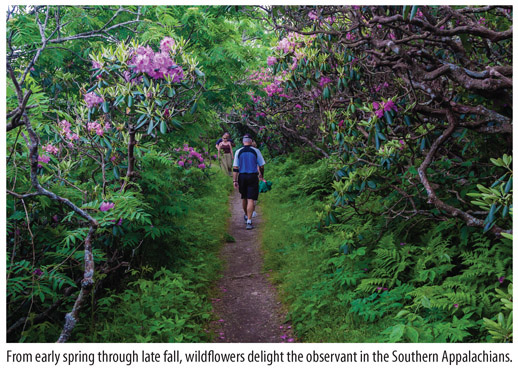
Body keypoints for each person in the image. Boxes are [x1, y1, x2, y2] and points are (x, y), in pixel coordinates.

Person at [233, 135, 265, 230]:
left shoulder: (238, 151)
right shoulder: (256, 151)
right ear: (251, 141)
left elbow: (235, 168)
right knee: (251, 199)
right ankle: (249, 221)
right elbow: (261, 165)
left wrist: (235, 180)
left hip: (242, 176)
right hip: (252, 176)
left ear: (243, 142)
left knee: (244, 197)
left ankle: (246, 215)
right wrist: (261, 175)